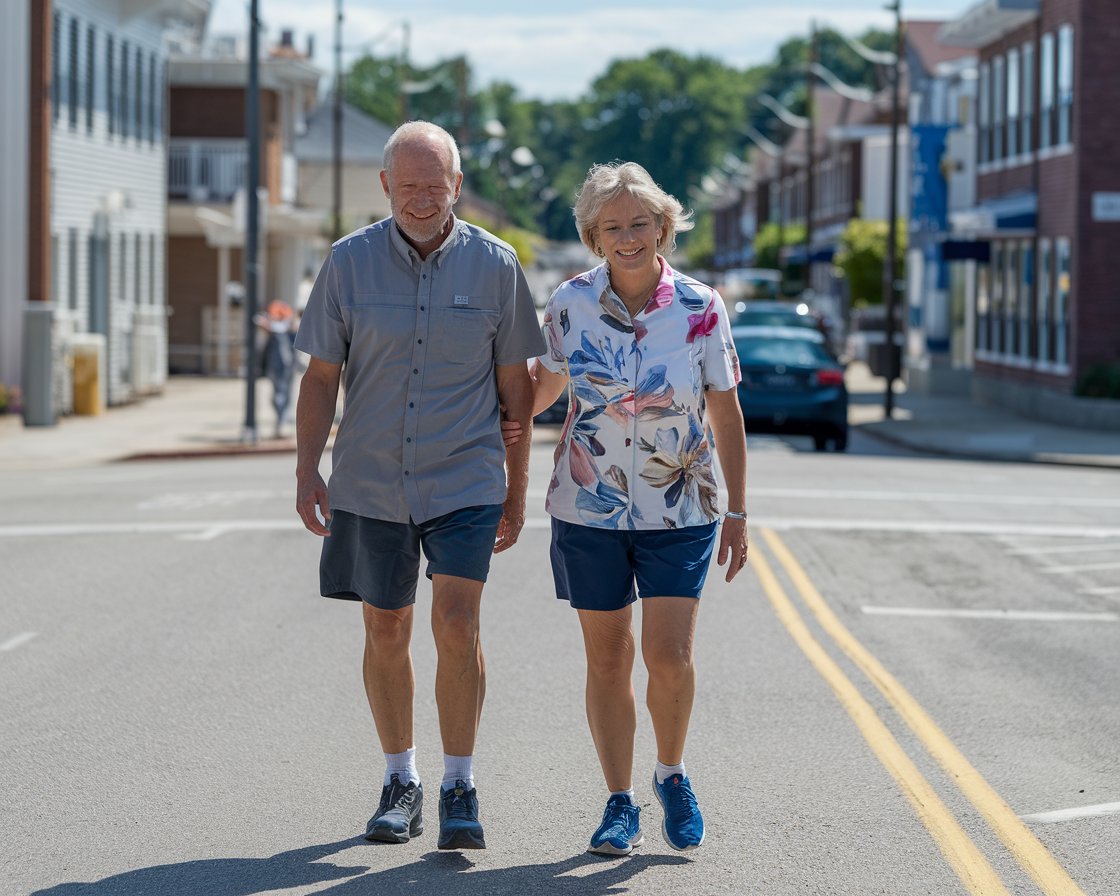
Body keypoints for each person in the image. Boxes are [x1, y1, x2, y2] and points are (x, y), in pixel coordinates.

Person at [293, 121, 544, 851]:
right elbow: (319, 378)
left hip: (464, 477)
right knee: (386, 626)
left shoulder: (497, 267)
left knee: (459, 623)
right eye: (409, 188)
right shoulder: (348, 263)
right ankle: (399, 780)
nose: (422, 201)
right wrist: (309, 468)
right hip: (370, 481)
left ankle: (458, 782)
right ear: (385, 188)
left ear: (457, 185)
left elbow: (516, 397)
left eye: (435, 187)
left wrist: (516, 491)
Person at [507, 161, 748, 856]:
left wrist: (738, 511)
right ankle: (620, 803)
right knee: (608, 659)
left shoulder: (702, 306)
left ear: (663, 226)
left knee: (668, 657)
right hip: (589, 507)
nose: (628, 236)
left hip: (682, 505)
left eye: (640, 223)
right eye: (612, 226)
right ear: (592, 235)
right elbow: (542, 387)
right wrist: (482, 402)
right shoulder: (570, 303)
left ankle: (670, 774)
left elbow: (727, 413)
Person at [254, 299, 296, 438]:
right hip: (279, 366)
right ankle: (280, 424)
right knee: (280, 395)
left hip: (285, 367)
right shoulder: (277, 332)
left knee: (283, 395)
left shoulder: (286, 331)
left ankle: (281, 424)